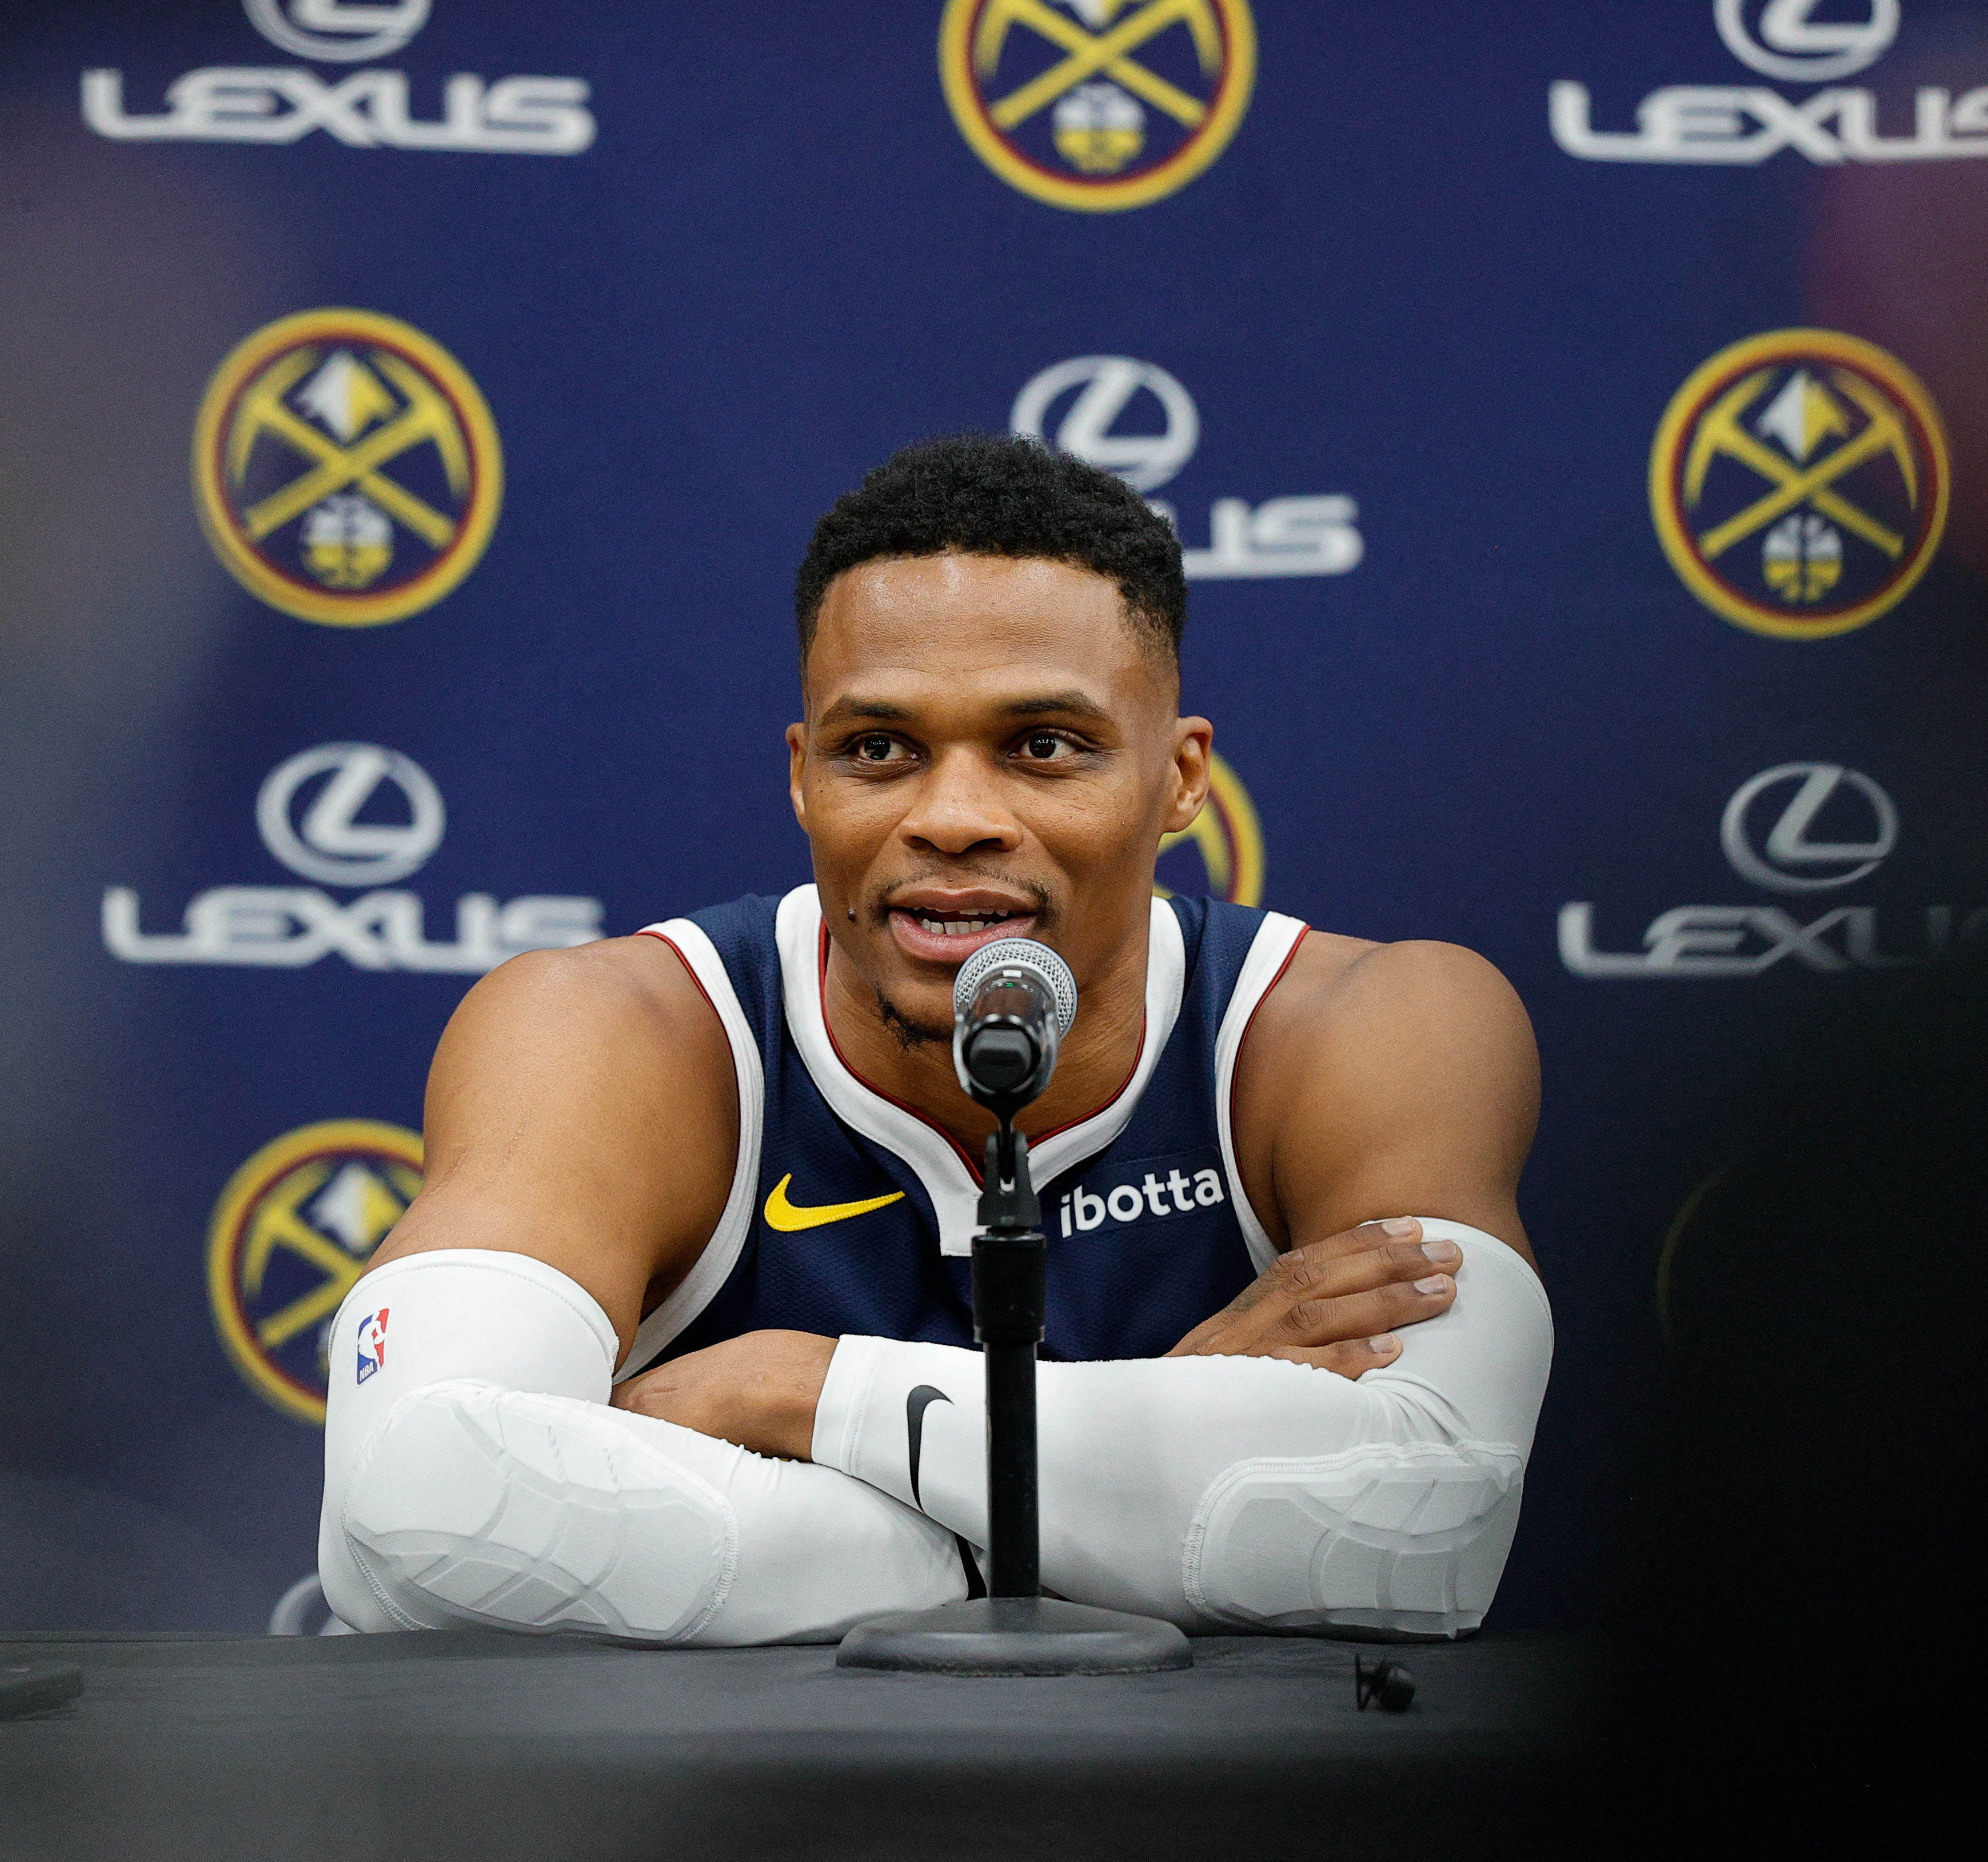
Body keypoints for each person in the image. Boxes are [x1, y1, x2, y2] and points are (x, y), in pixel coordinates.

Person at [315, 433, 1548, 1645]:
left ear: (1181, 782)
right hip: (718, 1839)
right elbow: (420, 1506)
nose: (953, 817)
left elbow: (1428, 1528)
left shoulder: (1368, 1025)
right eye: (881, 750)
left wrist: (796, 1391)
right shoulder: (614, 1031)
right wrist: (1101, 1485)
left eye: (1043, 747)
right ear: (804, 779)